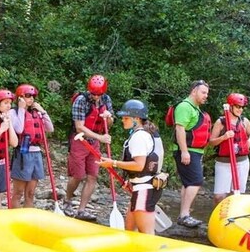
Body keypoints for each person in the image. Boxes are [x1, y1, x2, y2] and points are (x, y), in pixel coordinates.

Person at [98, 99, 163, 234]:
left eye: (126, 118)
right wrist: (131, 180)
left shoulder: (139, 136)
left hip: (145, 189)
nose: (123, 120)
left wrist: (113, 163)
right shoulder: (142, 133)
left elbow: (139, 166)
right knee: (129, 229)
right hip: (140, 186)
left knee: (146, 234)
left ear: (137, 119)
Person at [63, 74, 113, 220]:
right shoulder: (81, 100)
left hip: (95, 143)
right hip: (80, 140)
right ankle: (67, 200)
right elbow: (79, 127)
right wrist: (100, 138)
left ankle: (82, 209)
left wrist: (108, 117)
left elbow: (109, 124)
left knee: (93, 176)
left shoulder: (106, 99)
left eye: (99, 94)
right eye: (93, 93)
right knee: (78, 176)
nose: (96, 97)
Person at [171, 80, 211, 227]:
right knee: (196, 181)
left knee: (188, 183)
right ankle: (184, 215)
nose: (205, 96)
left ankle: (184, 214)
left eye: (207, 93)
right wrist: (184, 152)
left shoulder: (196, 109)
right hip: (188, 151)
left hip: (195, 151)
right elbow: (180, 129)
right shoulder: (184, 107)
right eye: (203, 92)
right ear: (194, 91)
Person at [9, 84, 54, 208]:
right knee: (18, 193)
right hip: (22, 153)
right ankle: (15, 220)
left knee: (30, 193)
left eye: (33, 96)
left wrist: (43, 111)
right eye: (28, 96)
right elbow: (18, 129)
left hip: (36, 153)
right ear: (20, 97)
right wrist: (22, 109)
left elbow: (50, 128)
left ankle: (27, 220)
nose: (31, 99)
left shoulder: (37, 113)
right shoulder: (13, 112)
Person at [209, 92, 250, 205]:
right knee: (219, 197)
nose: (240, 110)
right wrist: (224, 137)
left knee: (237, 195)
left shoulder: (244, 121)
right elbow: (211, 142)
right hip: (224, 162)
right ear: (230, 106)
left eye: (242, 107)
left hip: (242, 162)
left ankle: (234, 217)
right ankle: (219, 217)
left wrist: (249, 141)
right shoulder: (221, 122)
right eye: (238, 107)